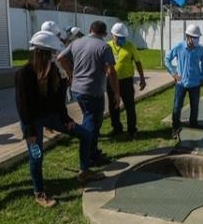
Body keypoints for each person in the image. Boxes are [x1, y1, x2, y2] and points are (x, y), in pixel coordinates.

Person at [16, 31, 105, 208]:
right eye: (50, 54)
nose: (54, 57)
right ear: (39, 53)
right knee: (37, 156)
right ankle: (39, 192)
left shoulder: (53, 71)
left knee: (85, 135)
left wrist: (65, 119)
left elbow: (59, 100)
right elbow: (23, 106)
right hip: (32, 121)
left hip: (52, 116)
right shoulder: (23, 74)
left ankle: (84, 171)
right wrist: (30, 131)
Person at [57, 21, 120, 167]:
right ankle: (88, 158)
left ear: (90, 30)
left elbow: (61, 58)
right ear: (104, 34)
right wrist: (116, 93)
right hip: (93, 91)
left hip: (77, 90)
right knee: (92, 123)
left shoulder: (77, 43)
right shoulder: (104, 47)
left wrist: (71, 73)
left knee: (89, 119)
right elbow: (111, 71)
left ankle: (92, 152)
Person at [165, 24, 203, 139]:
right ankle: (175, 127)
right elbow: (167, 59)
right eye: (194, 37)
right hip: (181, 84)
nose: (196, 39)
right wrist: (174, 73)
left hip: (195, 83)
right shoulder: (179, 47)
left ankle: (193, 124)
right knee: (177, 106)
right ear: (187, 36)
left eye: (197, 37)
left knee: (195, 106)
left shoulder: (200, 49)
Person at [106, 23, 146, 139]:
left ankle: (132, 129)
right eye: (119, 37)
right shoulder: (107, 46)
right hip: (111, 81)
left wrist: (142, 78)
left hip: (126, 82)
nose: (122, 40)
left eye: (124, 37)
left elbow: (138, 62)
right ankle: (116, 127)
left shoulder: (130, 46)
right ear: (113, 35)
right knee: (113, 105)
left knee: (130, 106)